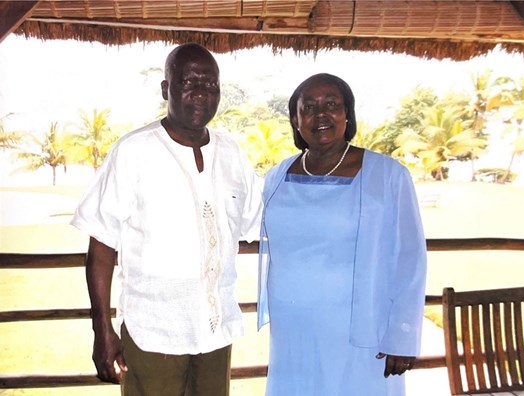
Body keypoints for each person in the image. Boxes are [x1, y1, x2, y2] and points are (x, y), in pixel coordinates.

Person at [71, 43, 262, 396]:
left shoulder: (232, 154)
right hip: (154, 333)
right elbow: (101, 244)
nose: (201, 93)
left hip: (214, 331)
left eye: (210, 84)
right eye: (189, 82)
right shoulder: (133, 151)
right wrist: (102, 328)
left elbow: (261, 222)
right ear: (166, 89)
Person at [257, 73, 427, 395]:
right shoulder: (277, 176)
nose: (321, 114)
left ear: (347, 114)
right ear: (296, 119)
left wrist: (402, 334)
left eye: (332, 105)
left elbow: (410, 258)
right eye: (309, 107)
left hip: (361, 332)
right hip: (293, 330)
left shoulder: (387, 175)